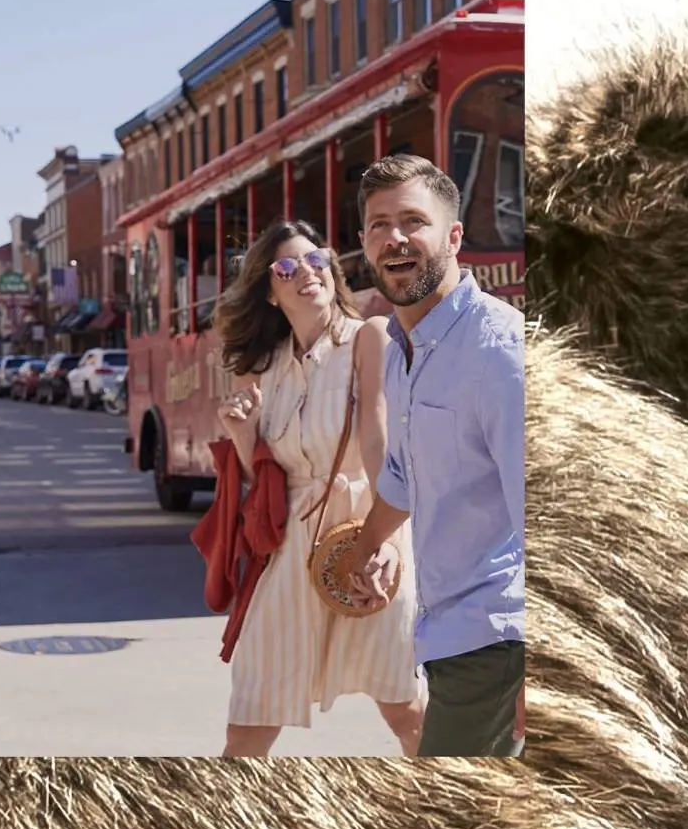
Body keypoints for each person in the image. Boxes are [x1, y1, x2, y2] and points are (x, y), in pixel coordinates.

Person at [211, 217, 424, 757]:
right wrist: (242, 436)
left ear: (332, 268)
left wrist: (386, 543)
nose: (306, 272)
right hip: (293, 552)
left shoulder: (368, 338)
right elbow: (268, 487)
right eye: (287, 268)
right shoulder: (267, 369)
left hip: (365, 530)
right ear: (271, 292)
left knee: (406, 711)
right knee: (251, 715)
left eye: (315, 259)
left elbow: (379, 448)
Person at [346, 153, 525, 757]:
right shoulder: (399, 348)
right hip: (447, 635)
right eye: (377, 225)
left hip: (497, 637)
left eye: (412, 221)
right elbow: (403, 476)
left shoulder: (498, 350)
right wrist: (367, 548)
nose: (395, 238)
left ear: (453, 236)